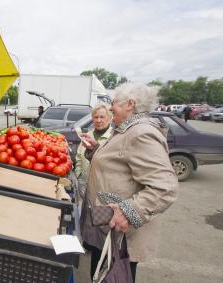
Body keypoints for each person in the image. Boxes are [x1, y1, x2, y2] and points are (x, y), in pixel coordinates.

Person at [80, 82, 178, 282]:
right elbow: (119, 165)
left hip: (119, 232)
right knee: (100, 275)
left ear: (130, 104)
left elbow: (165, 188)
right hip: (106, 223)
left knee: (114, 276)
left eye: (114, 103)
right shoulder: (126, 129)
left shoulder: (141, 133)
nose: (109, 108)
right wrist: (96, 151)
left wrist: (128, 212)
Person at [74, 103, 112, 198]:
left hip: (102, 187)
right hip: (83, 184)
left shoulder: (113, 137)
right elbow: (79, 156)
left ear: (109, 118)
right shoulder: (88, 135)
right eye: (95, 117)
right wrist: (79, 174)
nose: (98, 120)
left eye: (102, 117)